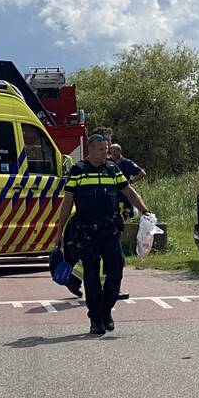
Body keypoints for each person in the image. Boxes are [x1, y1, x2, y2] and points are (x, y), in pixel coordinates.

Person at [54, 133, 150, 335]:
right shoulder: (78, 171)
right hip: (86, 231)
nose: (105, 153)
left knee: (116, 269)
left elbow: (129, 192)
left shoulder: (112, 169)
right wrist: (59, 230)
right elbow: (67, 202)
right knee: (91, 274)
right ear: (90, 149)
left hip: (110, 229)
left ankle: (106, 311)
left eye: (106, 150)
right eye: (101, 150)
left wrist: (145, 211)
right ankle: (95, 318)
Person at [109, 143, 147, 218]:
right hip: (113, 195)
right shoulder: (109, 163)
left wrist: (131, 182)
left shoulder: (127, 163)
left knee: (128, 215)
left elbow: (142, 173)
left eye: (115, 152)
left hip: (126, 194)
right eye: (111, 152)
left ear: (120, 151)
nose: (113, 154)